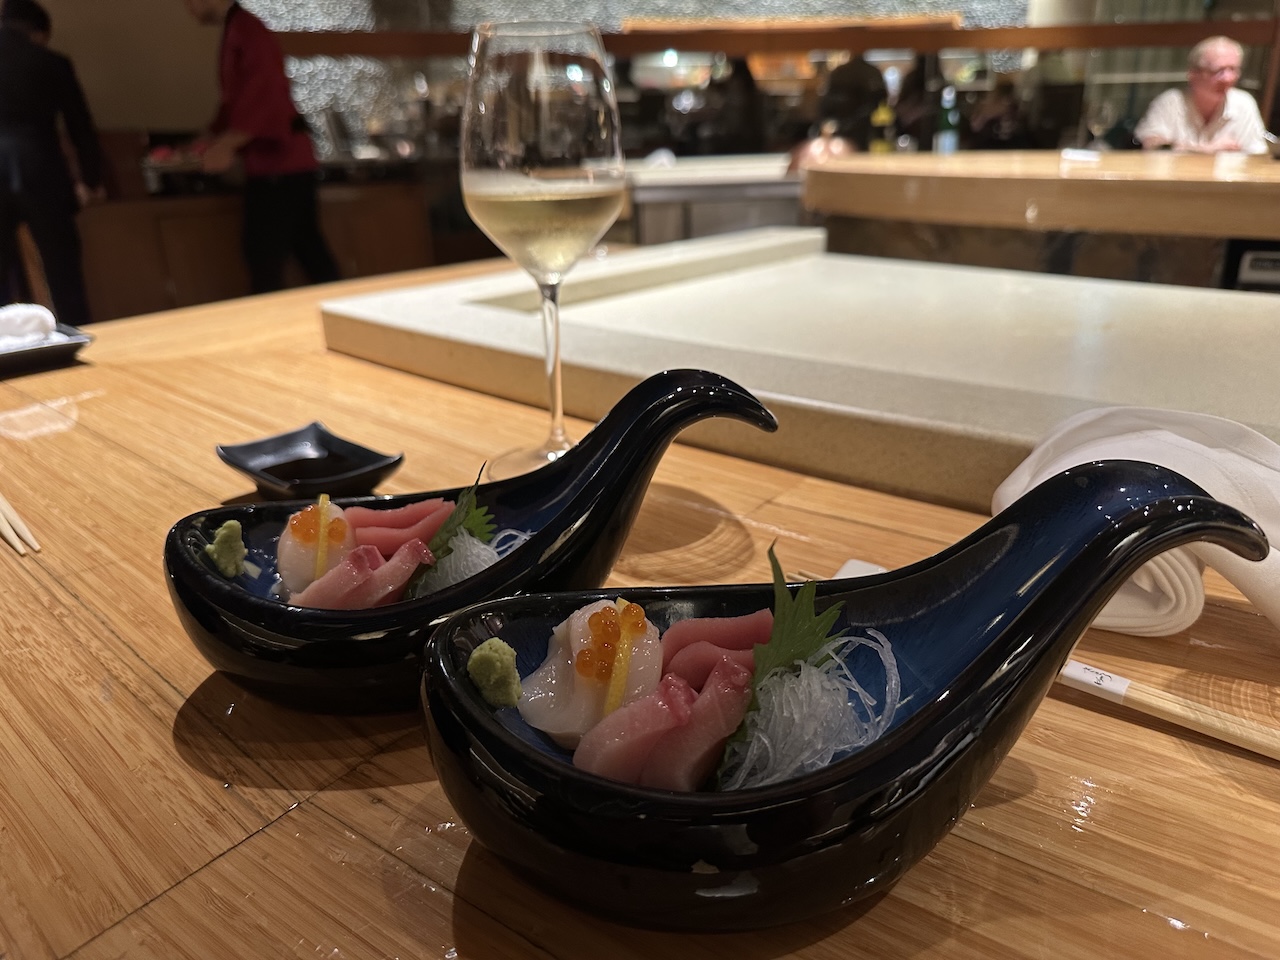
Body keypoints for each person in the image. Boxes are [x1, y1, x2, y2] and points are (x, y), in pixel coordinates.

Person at [183, 0, 339, 293]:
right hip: (285, 163)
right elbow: (238, 100)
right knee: (308, 251)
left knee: (265, 257)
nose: (188, 9)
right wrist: (212, 136)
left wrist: (226, 144)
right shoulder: (238, 27)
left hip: (280, 164)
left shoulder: (246, 28)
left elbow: (264, 92)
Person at [0, 0, 104, 326]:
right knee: (63, 271)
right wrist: (91, 179)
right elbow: (79, 125)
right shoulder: (51, 63)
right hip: (41, 168)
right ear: (38, 32)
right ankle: (74, 332)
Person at [1134, 36, 1268, 154]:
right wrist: (1206, 150)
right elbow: (1152, 146)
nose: (1227, 78)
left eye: (1233, 69)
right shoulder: (1170, 102)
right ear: (1193, 73)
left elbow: (1256, 154)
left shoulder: (1244, 103)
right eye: (1218, 70)